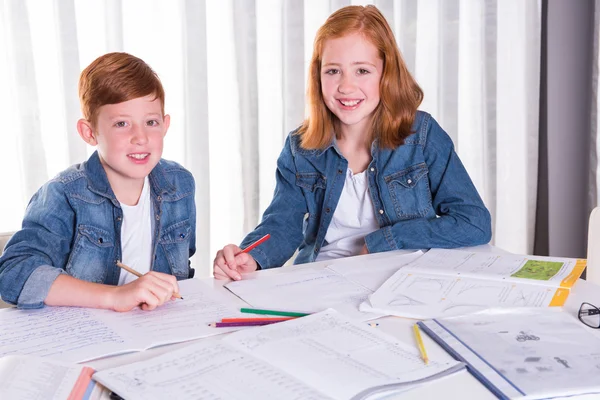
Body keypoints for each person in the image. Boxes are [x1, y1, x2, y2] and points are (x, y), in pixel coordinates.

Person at [213, 5, 492, 281]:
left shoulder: (421, 135)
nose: (346, 86)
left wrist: (383, 241)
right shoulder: (301, 148)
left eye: (362, 71)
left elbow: (473, 222)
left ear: (386, 74)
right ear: (318, 75)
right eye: (333, 71)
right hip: (320, 281)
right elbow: (282, 224)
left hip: (400, 280)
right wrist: (251, 257)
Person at [0, 53, 196, 311]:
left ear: (165, 125)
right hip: (87, 338)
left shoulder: (180, 185)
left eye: (151, 122)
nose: (140, 137)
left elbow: (184, 267)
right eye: (122, 123)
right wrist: (115, 296)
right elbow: (14, 274)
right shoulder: (64, 194)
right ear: (89, 132)